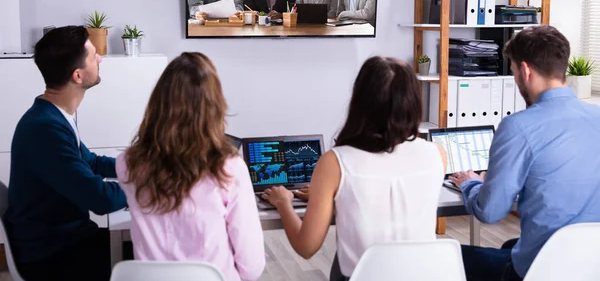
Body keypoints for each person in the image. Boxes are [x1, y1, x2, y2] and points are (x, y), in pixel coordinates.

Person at [261, 56, 447, 281]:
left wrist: (283, 203)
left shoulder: (335, 162)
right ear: (413, 102)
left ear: (360, 101)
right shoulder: (437, 154)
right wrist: (335, 197)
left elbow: (306, 247)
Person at [449, 25, 600, 281]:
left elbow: (490, 212)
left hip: (539, 272)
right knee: (510, 245)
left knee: (450, 255)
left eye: (514, 71)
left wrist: (472, 184)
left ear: (526, 70)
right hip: (591, 267)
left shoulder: (518, 127)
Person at [116, 52, 265, 281]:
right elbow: (252, 266)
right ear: (213, 106)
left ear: (158, 104)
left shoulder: (127, 163)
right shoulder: (230, 169)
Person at [4, 26, 127, 281]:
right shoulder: (45, 129)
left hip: (62, 239)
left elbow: (89, 161)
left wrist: (139, 167)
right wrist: (152, 185)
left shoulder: (52, 115)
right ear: (78, 75)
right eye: (94, 56)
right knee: (135, 254)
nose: (100, 59)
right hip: (52, 254)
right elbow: (99, 198)